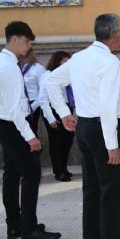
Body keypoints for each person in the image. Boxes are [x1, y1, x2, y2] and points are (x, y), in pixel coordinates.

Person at [47, 14, 120, 239]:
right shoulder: (109, 62)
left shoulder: (79, 58)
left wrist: (65, 113)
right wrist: (113, 144)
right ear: (112, 35)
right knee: (111, 194)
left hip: (85, 129)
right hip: (102, 130)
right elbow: (108, 105)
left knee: (91, 190)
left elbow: (50, 82)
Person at [0, 21, 62, 239]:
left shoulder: (0, 62)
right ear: (15, 39)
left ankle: (16, 225)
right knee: (30, 174)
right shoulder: (7, 67)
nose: (29, 46)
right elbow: (15, 109)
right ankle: (29, 231)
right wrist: (30, 136)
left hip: (4, 123)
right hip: (12, 125)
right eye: (27, 41)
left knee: (11, 174)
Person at [37, 51, 75, 181]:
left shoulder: (67, 77)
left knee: (67, 141)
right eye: (64, 62)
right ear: (57, 62)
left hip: (66, 109)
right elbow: (43, 99)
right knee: (56, 142)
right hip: (52, 110)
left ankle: (64, 167)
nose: (67, 64)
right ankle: (58, 171)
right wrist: (51, 119)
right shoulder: (48, 76)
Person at [18, 48, 47, 136]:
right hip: (19, 103)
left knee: (31, 131)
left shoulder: (38, 68)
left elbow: (44, 90)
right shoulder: (16, 67)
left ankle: (34, 149)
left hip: (33, 104)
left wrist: (33, 106)